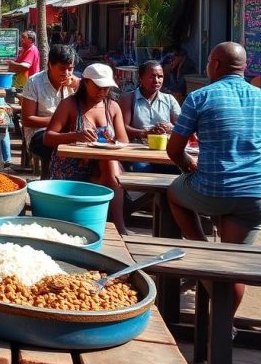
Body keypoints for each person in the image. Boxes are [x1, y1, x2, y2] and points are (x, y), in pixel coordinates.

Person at [167, 42, 261, 320]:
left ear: (216, 65)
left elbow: (174, 151)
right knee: (234, 265)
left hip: (210, 192)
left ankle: (198, 243)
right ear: (244, 67)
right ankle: (222, 326)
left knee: (174, 192)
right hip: (255, 197)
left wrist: (189, 167)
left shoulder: (199, 97)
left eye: (209, 62)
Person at [44, 63, 130, 233]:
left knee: (110, 162)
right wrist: (75, 136)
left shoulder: (112, 107)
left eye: (106, 88)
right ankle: (116, 225)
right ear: (86, 83)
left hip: (103, 167)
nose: (102, 92)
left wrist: (111, 141)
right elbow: (48, 138)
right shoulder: (69, 104)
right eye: (98, 87)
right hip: (71, 165)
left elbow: (124, 142)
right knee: (111, 166)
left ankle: (118, 224)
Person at [21, 44, 80, 176]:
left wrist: (78, 86)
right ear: (50, 65)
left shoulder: (76, 83)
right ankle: (49, 182)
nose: (67, 73)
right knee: (55, 148)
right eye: (62, 69)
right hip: (39, 133)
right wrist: (58, 122)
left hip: (68, 133)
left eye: (70, 69)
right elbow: (27, 119)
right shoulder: (34, 83)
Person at [119, 60, 180, 140]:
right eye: (152, 76)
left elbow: (181, 126)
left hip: (163, 147)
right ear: (141, 78)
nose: (156, 81)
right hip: (137, 148)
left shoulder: (169, 100)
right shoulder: (128, 98)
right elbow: (123, 127)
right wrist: (145, 133)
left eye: (160, 77)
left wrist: (170, 128)